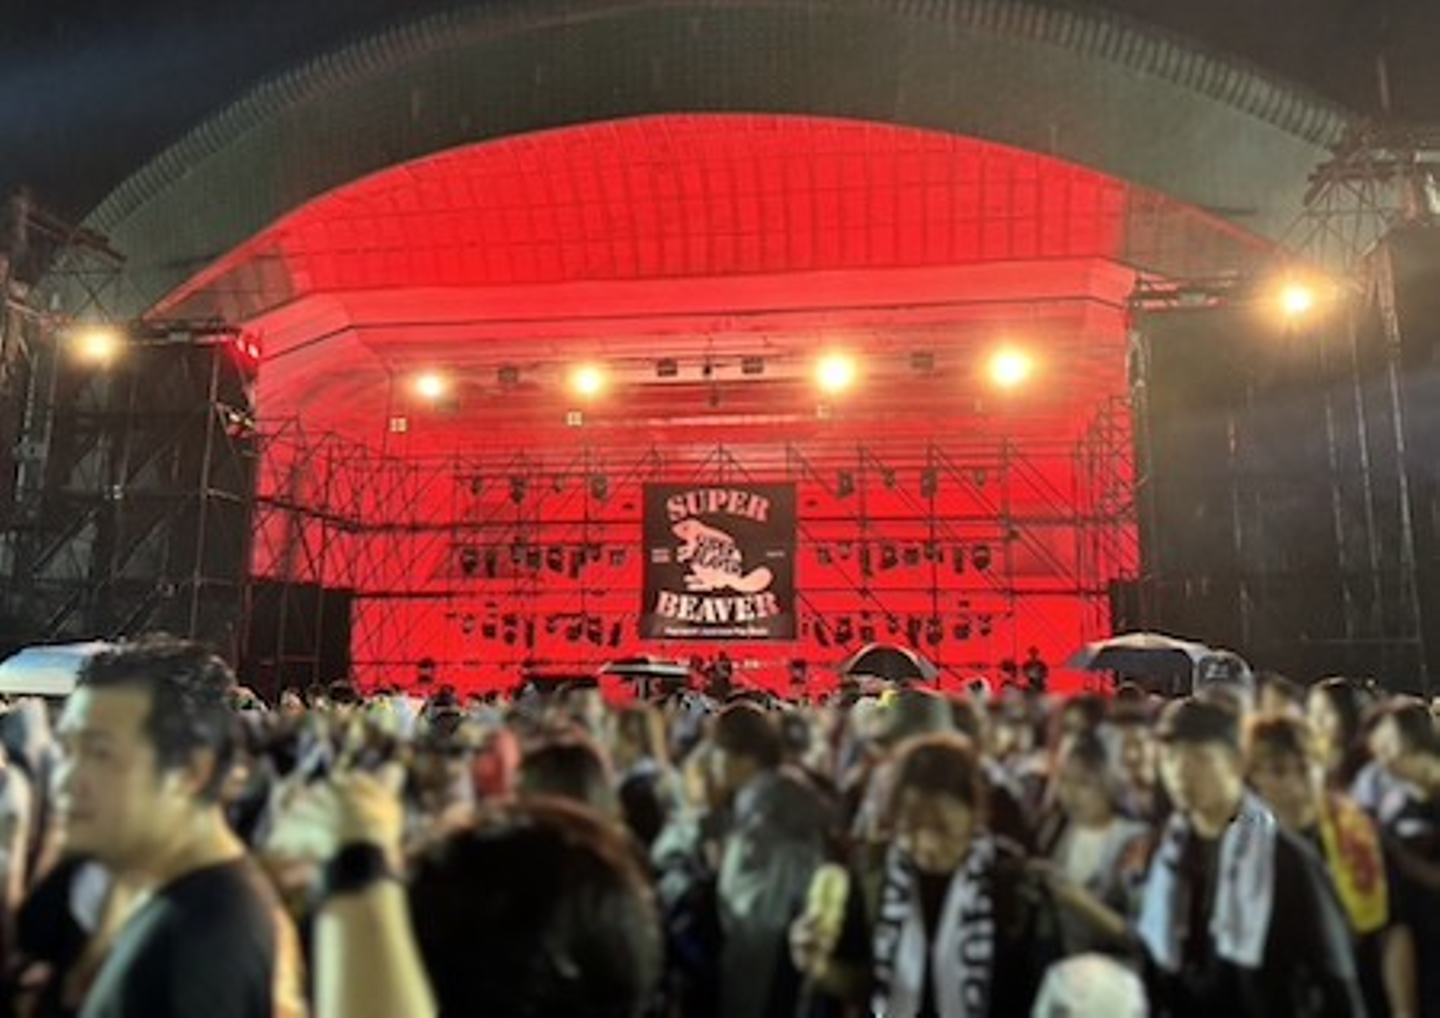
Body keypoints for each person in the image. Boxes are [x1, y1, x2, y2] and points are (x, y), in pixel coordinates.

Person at [54, 635, 306, 1018]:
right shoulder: (178, 899)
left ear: (191, 770)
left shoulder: (211, 935)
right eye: (68, 751)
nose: (65, 781)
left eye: (100, 753)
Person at [790, 733, 1061, 1016]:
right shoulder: (873, 875)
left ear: (976, 815)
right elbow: (859, 985)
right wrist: (820, 966)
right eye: (911, 827)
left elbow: (1038, 994)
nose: (927, 844)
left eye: (943, 827)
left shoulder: (1015, 887)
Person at [1137, 698, 1365, 1017]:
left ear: (1237, 763)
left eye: (1200, 758)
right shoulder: (1169, 849)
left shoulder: (1284, 857)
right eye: (1170, 758)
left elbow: (1336, 980)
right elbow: (1156, 953)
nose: (1181, 772)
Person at [1246, 714, 1409, 1018]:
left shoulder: (1359, 830)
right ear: (1255, 777)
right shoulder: (1242, 845)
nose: (1296, 784)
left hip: (1362, 994)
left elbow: (1393, 929)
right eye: (1279, 771)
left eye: (1306, 767)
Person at [709, 702, 833, 1018]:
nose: (711, 762)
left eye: (717, 751)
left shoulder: (771, 811)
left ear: (744, 758)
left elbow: (765, 913)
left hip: (763, 969)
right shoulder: (772, 797)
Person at [1365, 698, 1440, 1018]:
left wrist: (1398, 854)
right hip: (1413, 949)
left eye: (1387, 744)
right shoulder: (1395, 803)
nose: (1381, 756)